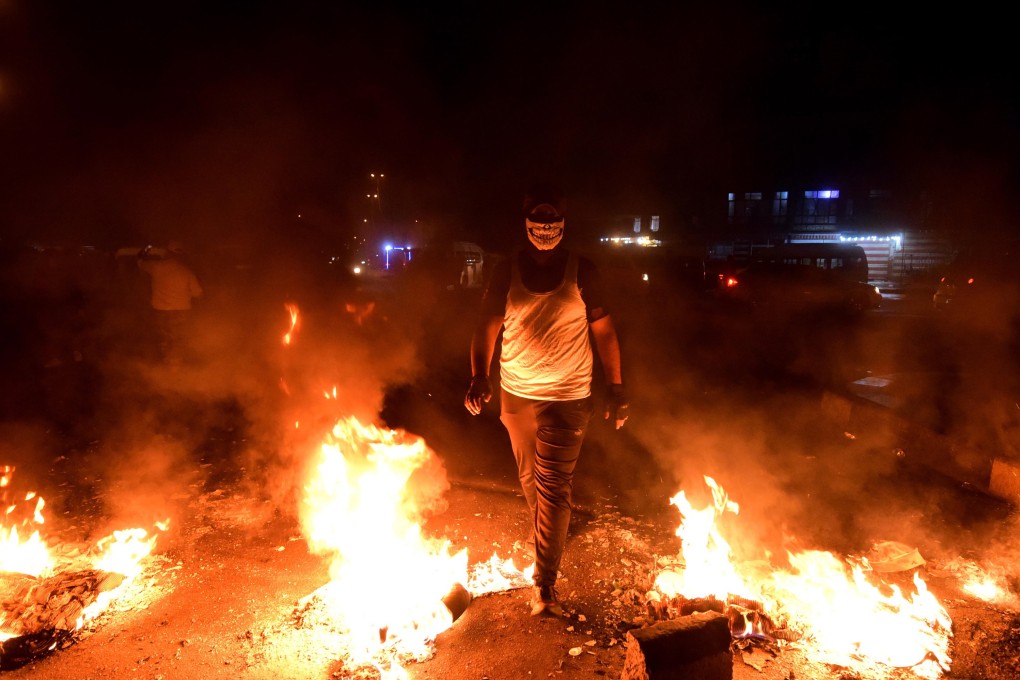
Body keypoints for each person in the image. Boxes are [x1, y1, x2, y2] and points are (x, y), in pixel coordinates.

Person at [464, 183, 629, 617]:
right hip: (516, 394)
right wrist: (479, 376)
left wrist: (616, 388)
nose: (545, 227)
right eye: (538, 219)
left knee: (553, 488)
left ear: (563, 220)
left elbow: (604, 332)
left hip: (568, 396)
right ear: (526, 222)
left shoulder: (583, 271)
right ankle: (547, 540)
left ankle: (545, 583)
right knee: (531, 483)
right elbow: (487, 326)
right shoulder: (505, 270)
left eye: (552, 219)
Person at [137, 240, 203, 364]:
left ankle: (165, 364)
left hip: (161, 311)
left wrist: (146, 249)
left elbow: (140, 262)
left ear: (167, 252)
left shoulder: (156, 267)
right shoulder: (187, 271)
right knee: (178, 338)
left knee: (164, 338)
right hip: (182, 311)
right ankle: (177, 364)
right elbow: (198, 293)